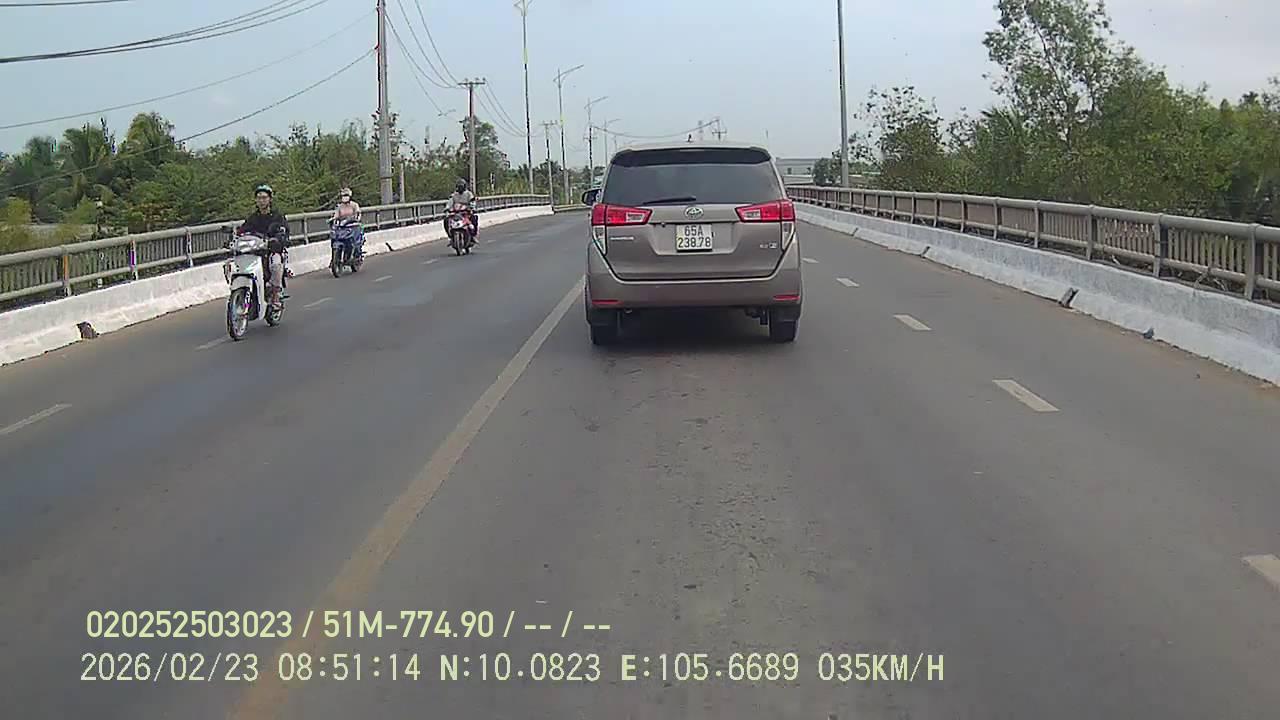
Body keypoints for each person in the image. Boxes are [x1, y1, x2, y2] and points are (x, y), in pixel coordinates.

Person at [238, 183, 291, 301]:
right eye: (259, 198)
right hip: (256, 250)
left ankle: (276, 295)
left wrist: (278, 239)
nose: (261, 201)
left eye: (264, 197)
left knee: (275, 265)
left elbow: (284, 231)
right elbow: (243, 230)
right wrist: (235, 238)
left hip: (272, 250)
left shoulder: (277, 216)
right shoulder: (253, 217)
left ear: (270, 199)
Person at [331, 186, 364, 257]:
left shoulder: (354, 205)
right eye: (343, 196)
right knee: (335, 238)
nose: (344, 197)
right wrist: (333, 220)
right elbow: (336, 215)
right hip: (342, 227)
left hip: (352, 226)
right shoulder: (339, 206)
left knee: (354, 241)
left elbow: (358, 214)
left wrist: (355, 219)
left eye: (346, 195)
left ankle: (356, 253)